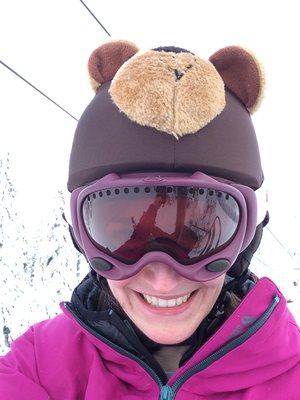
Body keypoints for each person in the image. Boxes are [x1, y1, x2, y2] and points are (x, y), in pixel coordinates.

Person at [1, 39, 299, 400]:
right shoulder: (35, 369)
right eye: (124, 234)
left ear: (246, 238)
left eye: (197, 235)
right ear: (81, 237)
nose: (162, 278)